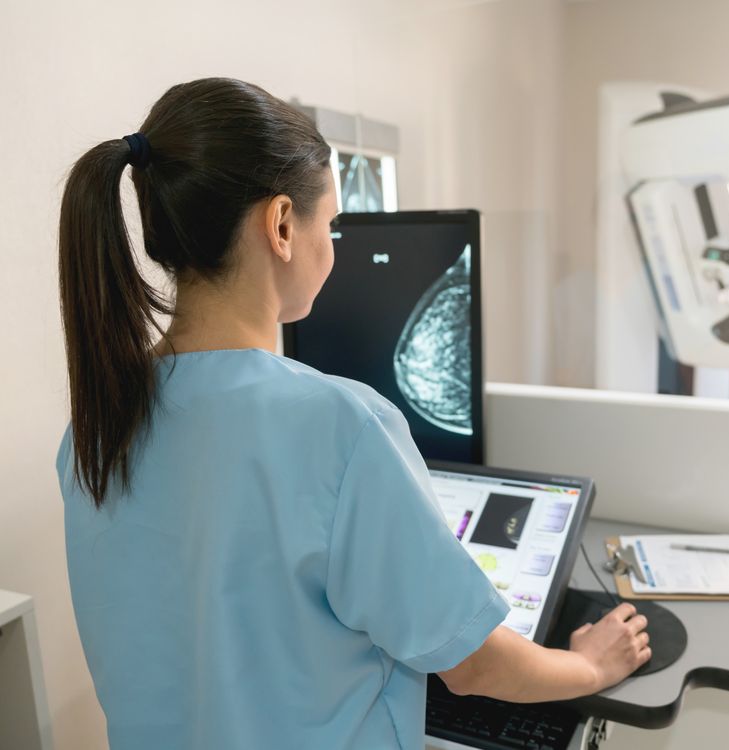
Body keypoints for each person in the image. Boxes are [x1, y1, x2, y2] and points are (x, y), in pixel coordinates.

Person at [56, 78, 650, 750]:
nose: (333, 247)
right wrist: (590, 663)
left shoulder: (93, 432)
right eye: (330, 224)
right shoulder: (341, 428)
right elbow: (473, 664)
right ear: (281, 226)